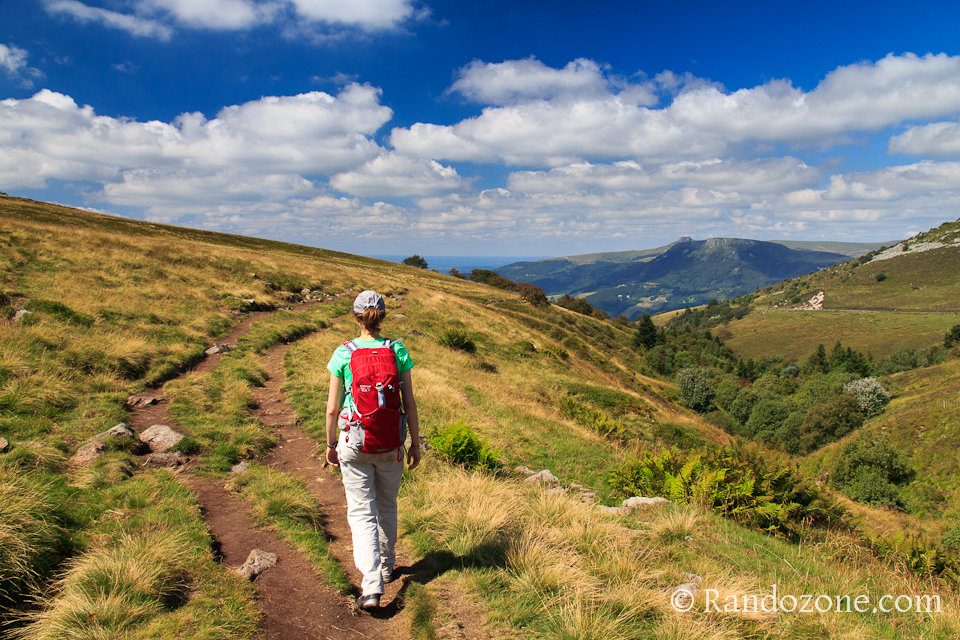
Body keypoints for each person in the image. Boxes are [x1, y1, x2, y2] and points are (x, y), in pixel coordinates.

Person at [325, 290, 421, 611]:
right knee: (386, 505)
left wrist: (329, 445)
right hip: (390, 442)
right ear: (382, 316)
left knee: (361, 511)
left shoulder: (343, 353)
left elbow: (331, 408)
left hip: (353, 441)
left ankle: (371, 586)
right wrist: (415, 443)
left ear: (356, 317)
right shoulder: (397, 350)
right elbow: (409, 403)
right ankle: (386, 565)